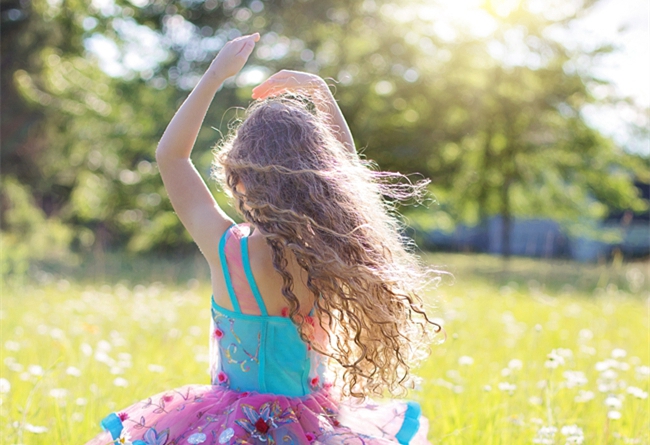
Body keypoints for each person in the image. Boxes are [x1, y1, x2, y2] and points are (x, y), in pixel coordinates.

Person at [85, 33, 440, 445]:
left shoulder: (228, 248)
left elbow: (171, 156)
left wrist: (215, 75)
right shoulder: (331, 249)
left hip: (234, 428)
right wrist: (322, 94)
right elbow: (349, 168)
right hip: (315, 427)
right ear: (326, 182)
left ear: (238, 175)